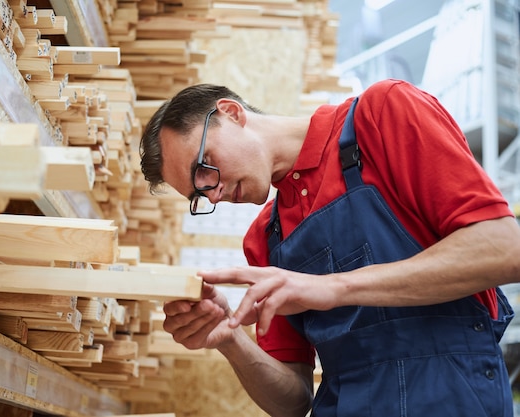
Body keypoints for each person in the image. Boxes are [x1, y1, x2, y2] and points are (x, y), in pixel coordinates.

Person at [139, 79, 520, 417]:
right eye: (199, 194)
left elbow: (504, 250)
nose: (214, 192)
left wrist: (332, 288)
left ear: (231, 113)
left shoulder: (382, 115)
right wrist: (231, 338)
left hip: (453, 398)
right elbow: (293, 400)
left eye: (204, 168)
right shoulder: (265, 238)